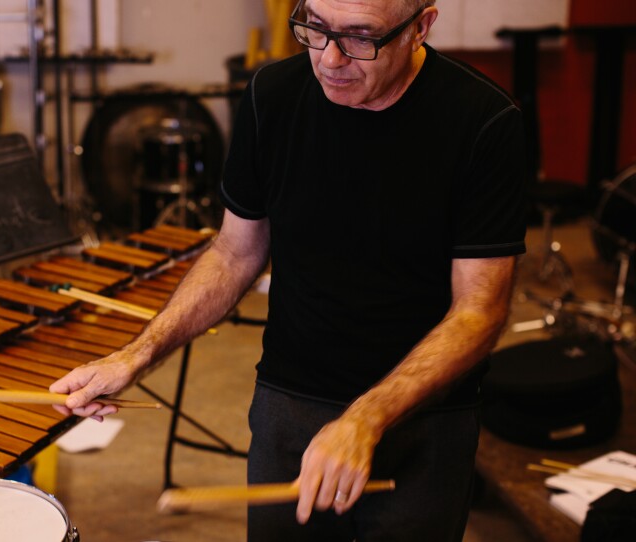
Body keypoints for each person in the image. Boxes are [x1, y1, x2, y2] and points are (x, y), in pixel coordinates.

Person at [50, 0, 528, 539]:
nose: (329, 58)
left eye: (359, 38)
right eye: (315, 28)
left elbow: (479, 311)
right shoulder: (271, 96)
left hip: (424, 413)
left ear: (421, 27)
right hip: (292, 398)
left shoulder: (484, 122)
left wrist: (366, 418)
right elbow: (234, 253)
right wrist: (136, 354)